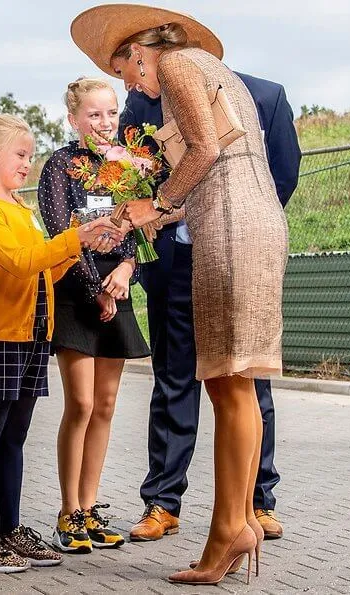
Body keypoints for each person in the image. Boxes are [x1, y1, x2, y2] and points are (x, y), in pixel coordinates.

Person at [71, 4, 289, 586]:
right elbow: (224, 162)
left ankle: (227, 532)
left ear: (139, 50)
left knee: (228, 380)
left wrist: (155, 204)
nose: (131, 84)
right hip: (238, 220)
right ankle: (240, 519)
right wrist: (151, 213)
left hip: (231, 230)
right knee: (233, 381)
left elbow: (206, 153)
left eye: (125, 71)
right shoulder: (211, 71)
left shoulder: (179, 67)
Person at [119, 72, 301, 543]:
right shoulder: (143, 103)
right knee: (173, 383)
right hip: (175, 264)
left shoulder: (266, 95)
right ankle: (162, 503)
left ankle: (258, 502)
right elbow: (133, 178)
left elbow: (283, 172)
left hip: (236, 256)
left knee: (248, 384)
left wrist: (234, 221)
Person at [0, 113, 122, 573]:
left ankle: (10, 531)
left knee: (15, 435)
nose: (27, 164)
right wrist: (72, 236)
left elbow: (43, 270)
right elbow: (17, 262)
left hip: (34, 333)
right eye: (21, 155)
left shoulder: (21, 208)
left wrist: (79, 245)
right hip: (1, 333)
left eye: (30, 157)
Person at [38, 78, 150, 554]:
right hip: (76, 289)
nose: (105, 124)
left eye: (111, 114)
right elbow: (65, 232)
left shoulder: (126, 168)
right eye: (94, 115)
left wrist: (126, 269)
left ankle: (89, 508)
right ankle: (67, 513)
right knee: (80, 404)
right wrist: (96, 291)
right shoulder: (60, 165)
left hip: (116, 285)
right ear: (73, 120)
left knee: (105, 406)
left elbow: (139, 234)